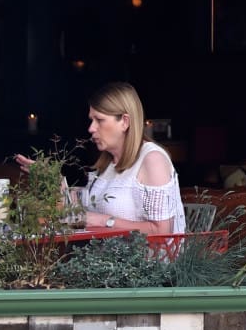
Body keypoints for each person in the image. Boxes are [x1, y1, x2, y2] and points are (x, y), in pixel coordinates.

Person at [76, 82, 182, 236]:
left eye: (99, 120)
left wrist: (103, 221)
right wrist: (58, 187)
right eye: (91, 120)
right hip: (103, 251)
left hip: (145, 253)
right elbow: (87, 214)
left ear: (125, 122)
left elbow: (162, 232)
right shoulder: (108, 162)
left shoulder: (152, 159)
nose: (91, 128)